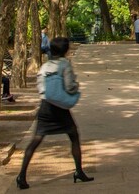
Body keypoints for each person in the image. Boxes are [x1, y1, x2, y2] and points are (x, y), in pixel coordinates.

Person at [16, 37, 93, 189]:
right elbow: (70, 86)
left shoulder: (45, 66)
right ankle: (79, 171)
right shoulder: (64, 65)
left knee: (36, 140)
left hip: (45, 106)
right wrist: (76, 87)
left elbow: (40, 86)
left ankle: (22, 176)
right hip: (60, 109)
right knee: (74, 136)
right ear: (66, 50)